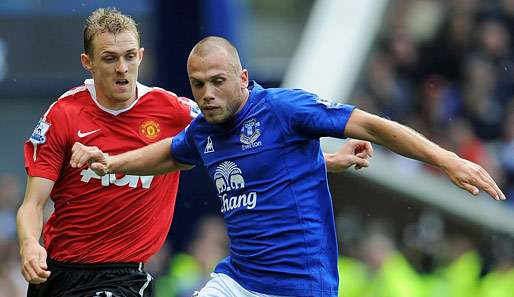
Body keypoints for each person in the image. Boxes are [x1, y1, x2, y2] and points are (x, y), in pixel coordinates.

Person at [70, 36, 505, 297]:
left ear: (242, 78)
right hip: (239, 281)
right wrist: (110, 162)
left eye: (218, 82)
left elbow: (371, 125)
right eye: (198, 85)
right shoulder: (204, 130)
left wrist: (447, 160)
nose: (207, 94)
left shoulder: (283, 108)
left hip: (301, 287)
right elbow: (166, 154)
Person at [16, 10, 373, 297]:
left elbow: (256, 148)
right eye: (109, 59)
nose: (122, 68)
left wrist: (325, 162)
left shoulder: (174, 110)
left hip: (122, 275)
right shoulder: (63, 115)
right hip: (57, 272)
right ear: (88, 63)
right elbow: (32, 204)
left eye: (129, 57)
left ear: (142, 56)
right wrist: (30, 244)